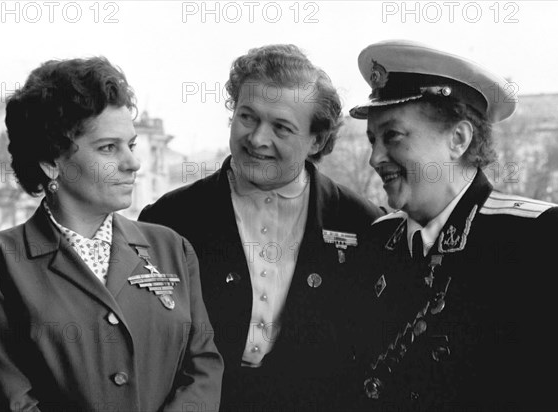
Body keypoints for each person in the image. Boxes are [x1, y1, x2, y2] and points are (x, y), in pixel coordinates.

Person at [139, 44, 383, 411]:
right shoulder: (169, 220)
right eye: (248, 117)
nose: (256, 139)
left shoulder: (362, 224)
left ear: (316, 140)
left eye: (281, 127)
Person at [0, 57, 223, 412]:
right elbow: (10, 395)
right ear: (52, 162)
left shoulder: (173, 248)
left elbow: (203, 369)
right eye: (109, 148)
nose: (132, 162)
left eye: (132, 144)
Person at [349, 40, 558, 411]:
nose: (375, 158)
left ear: (458, 139)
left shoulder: (537, 236)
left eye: (392, 136)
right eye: (372, 140)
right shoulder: (378, 238)